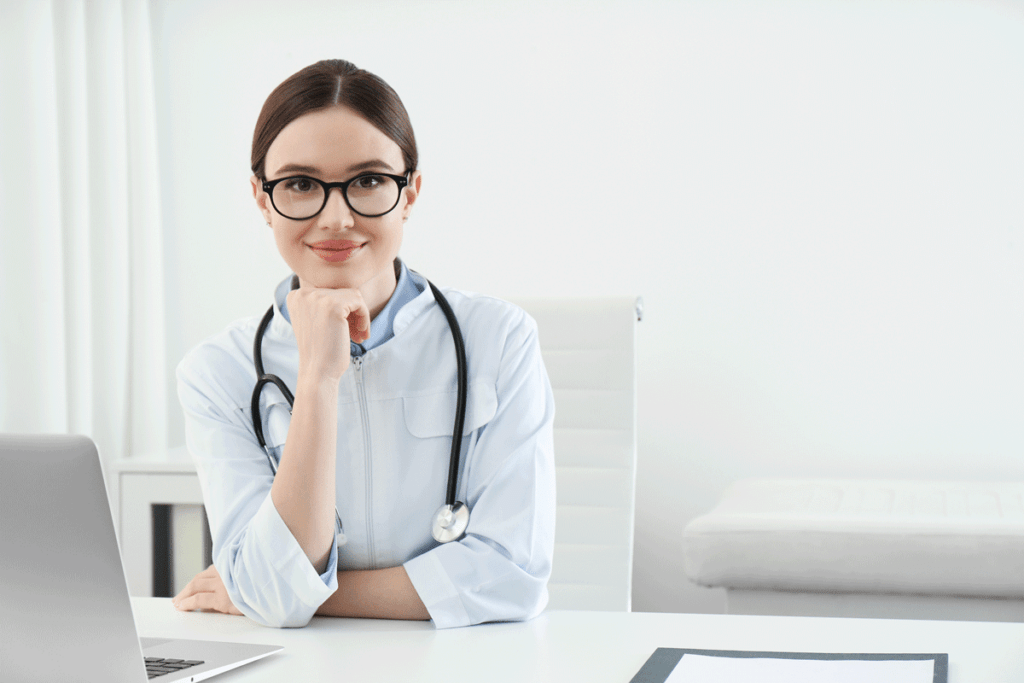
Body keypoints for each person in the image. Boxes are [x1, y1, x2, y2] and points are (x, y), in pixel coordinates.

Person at [171, 60, 556, 629]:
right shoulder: (217, 373)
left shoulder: (499, 341)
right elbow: (272, 597)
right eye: (300, 184)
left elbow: (511, 578)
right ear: (261, 199)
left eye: (369, 181)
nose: (336, 217)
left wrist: (292, 591)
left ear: (410, 192)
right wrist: (316, 380)